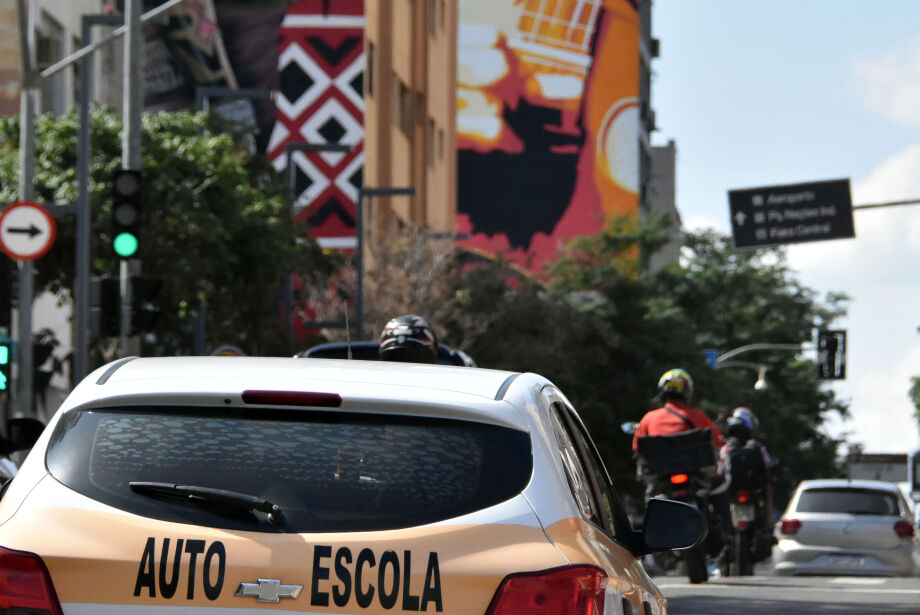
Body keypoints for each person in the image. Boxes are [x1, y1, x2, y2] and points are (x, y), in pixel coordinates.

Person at [632, 368, 724, 454]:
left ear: (662, 391)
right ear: (688, 391)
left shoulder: (649, 418)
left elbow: (636, 447)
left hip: (657, 466)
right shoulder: (699, 416)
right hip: (691, 466)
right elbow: (717, 442)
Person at [718, 407, 775, 525]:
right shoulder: (758, 447)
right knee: (768, 487)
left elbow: (719, 469)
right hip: (753, 491)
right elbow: (769, 464)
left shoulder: (726, 448)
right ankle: (768, 523)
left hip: (730, 490)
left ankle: (716, 521)